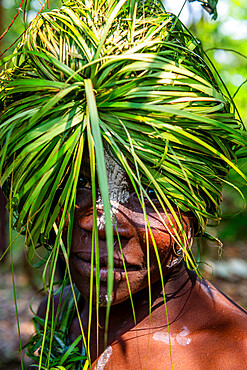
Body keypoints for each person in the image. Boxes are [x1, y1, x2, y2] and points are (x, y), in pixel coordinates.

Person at [0, 0, 246, 368]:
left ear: (197, 203)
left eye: (147, 192)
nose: (97, 223)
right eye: (82, 183)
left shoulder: (228, 353)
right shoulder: (63, 309)